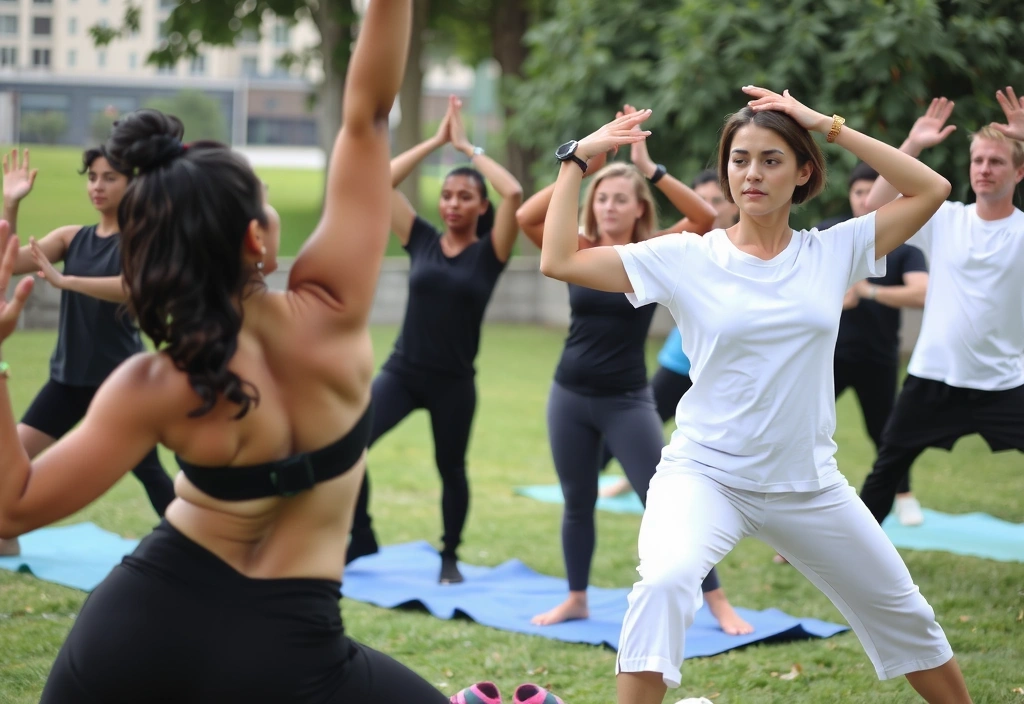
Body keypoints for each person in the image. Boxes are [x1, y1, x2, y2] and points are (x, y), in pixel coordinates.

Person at [0, 4, 465, 701]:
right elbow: (367, 116)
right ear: (256, 240)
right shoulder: (334, 309)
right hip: (290, 649)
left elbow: (14, 507)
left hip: (136, 631)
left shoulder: (155, 380)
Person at [537, 88, 970, 703]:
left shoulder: (833, 249)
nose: (752, 174)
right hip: (705, 473)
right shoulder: (687, 257)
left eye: (771, 159)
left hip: (807, 482)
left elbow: (932, 189)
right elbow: (558, 260)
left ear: (803, 172)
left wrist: (828, 125)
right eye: (740, 159)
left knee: (903, 611)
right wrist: (575, 159)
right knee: (661, 586)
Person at [516, 106, 750, 635]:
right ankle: (576, 597)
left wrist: (648, 167)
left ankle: (716, 601)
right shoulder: (576, 251)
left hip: (627, 399)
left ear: (637, 207)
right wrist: (583, 156)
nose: (610, 204)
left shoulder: (653, 255)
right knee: (577, 501)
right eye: (602, 196)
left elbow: (705, 219)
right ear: (591, 205)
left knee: (662, 501)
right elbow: (526, 219)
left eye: (621, 198)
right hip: (570, 393)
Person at [346, 95, 523, 584]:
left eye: (465, 197)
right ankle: (361, 535)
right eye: (447, 196)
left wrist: (468, 148)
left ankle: (449, 556)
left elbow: (513, 194)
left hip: (453, 383)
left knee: (451, 470)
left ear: (479, 207)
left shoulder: (491, 254)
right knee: (348, 447)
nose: (453, 204)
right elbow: (378, 180)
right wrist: (436, 141)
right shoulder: (420, 239)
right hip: (402, 372)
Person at [859, 90, 1024, 525]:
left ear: (1019, 171)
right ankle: (846, 558)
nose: (984, 169)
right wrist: (911, 146)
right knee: (885, 471)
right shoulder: (945, 219)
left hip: (1005, 380)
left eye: (997, 161)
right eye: (978, 161)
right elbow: (874, 205)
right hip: (933, 375)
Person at [0, 146, 174, 557]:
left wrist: (68, 281)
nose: (97, 186)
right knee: (11, 461)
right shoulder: (70, 237)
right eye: (92, 177)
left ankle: (196, 548)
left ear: (132, 185)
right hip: (68, 379)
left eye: (109, 177)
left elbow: (133, 288)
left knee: (150, 474)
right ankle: (5, 538)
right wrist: (11, 203)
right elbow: (10, 261)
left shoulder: (141, 240)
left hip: (120, 384)